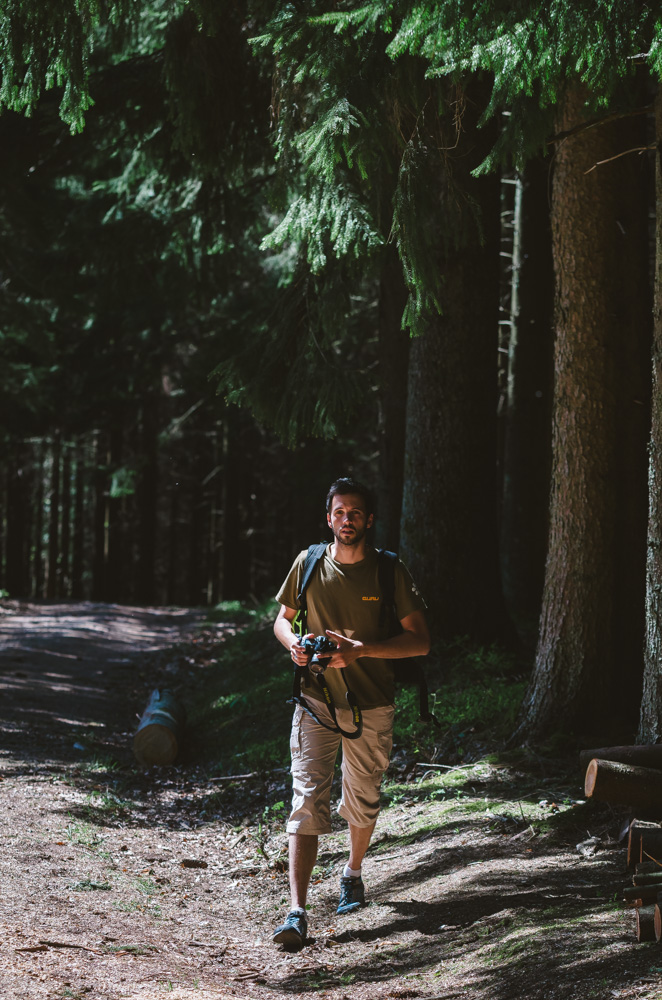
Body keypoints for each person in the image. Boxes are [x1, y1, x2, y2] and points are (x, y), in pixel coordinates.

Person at [272, 477, 430, 951]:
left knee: (361, 798)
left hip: (372, 703)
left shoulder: (388, 571)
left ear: (369, 520)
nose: (346, 520)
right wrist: (295, 645)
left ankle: (353, 873)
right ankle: (297, 911)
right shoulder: (309, 562)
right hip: (314, 700)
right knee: (306, 800)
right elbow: (281, 619)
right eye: (339, 513)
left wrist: (362, 651)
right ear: (328, 518)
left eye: (355, 513)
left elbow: (420, 640)